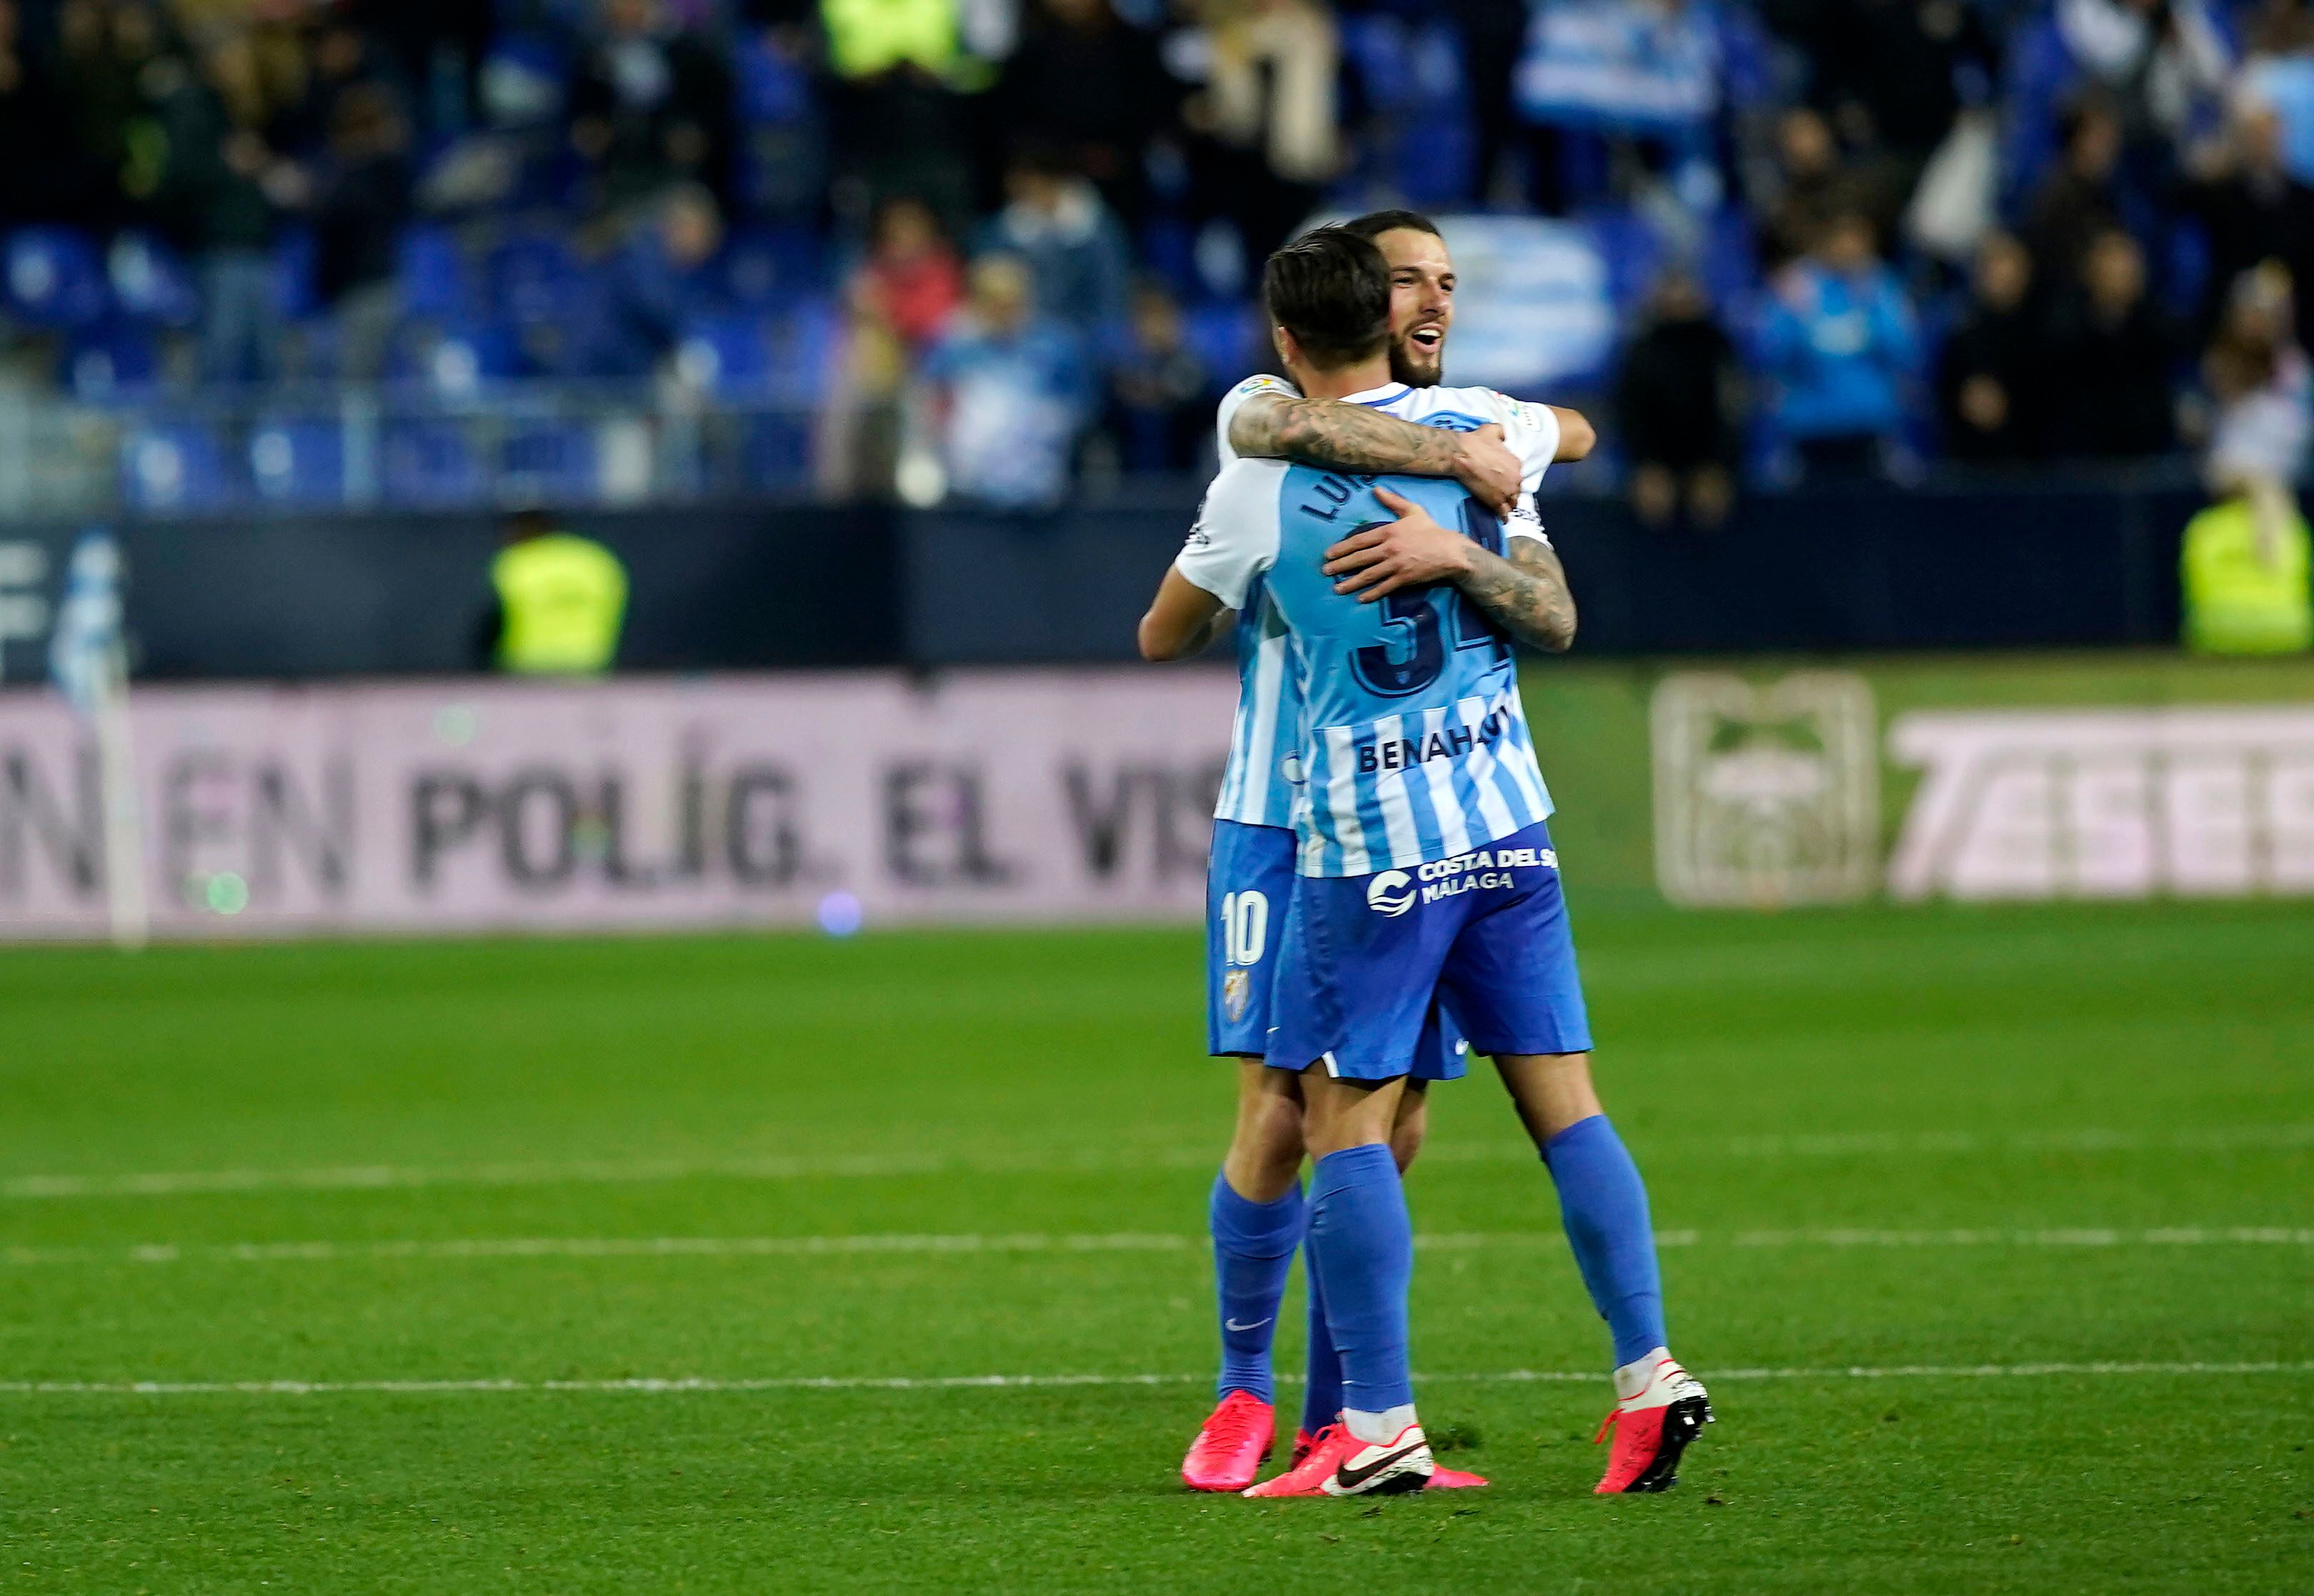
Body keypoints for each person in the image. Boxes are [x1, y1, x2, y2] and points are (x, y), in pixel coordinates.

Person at [1150, 225, 1707, 1500]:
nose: (1434, 300)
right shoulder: (1326, 425)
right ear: (1366, 299)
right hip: (1337, 817)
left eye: (1450, 282)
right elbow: (1292, 422)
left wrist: (1463, 524)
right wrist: (1465, 469)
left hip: (1365, 830)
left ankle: (1358, 1420)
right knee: (1283, 1113)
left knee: (1367, 1119)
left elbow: (1567, 440)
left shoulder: (1441, 434)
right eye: (1409, 278)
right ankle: (1249, 1389)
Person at [1936, 231, 2049, 462]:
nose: (2003, 274)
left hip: (2039, 460)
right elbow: (1942, 392)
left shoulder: (2049, 330)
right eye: (1994, 266)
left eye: (2010, 264)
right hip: (1972, 460)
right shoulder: (1962, 333)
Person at [474, 509, 630, 674]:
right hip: (590, 663)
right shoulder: (596, 559)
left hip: (526, 666)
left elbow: (492, 619)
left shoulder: (515, 562)